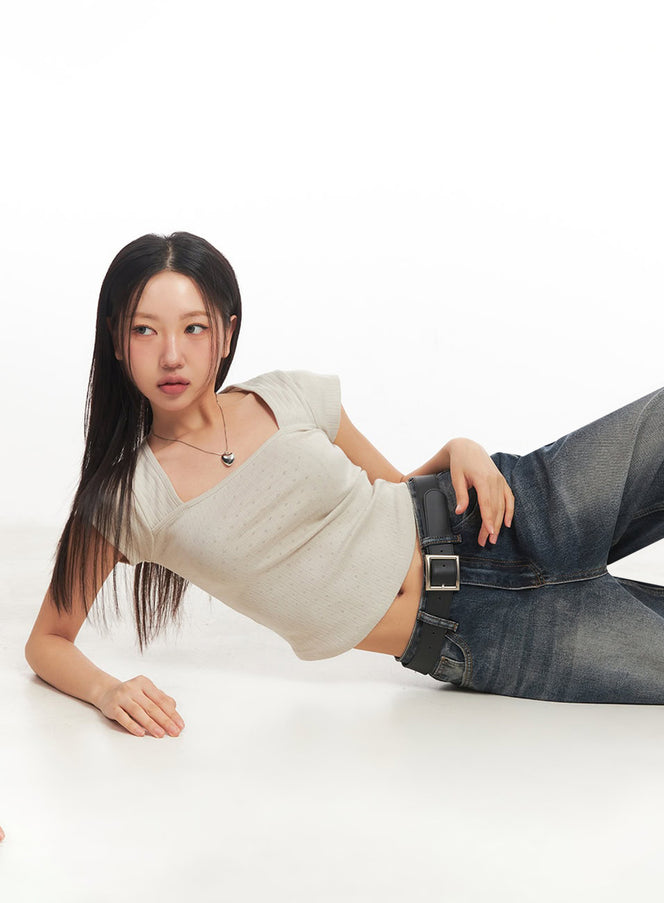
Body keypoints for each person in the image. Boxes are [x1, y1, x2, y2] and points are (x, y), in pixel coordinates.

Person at [25, 233, 664, 736]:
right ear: (118, 341)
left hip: (516, 510)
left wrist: (458, 449)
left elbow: (397, 489)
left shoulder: (289, 395)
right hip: (485, 633)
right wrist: (108, 691)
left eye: (194, 327)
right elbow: (46, 641)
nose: (172, 354)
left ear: (225, 333)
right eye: (145, 329)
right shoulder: (126, 500)